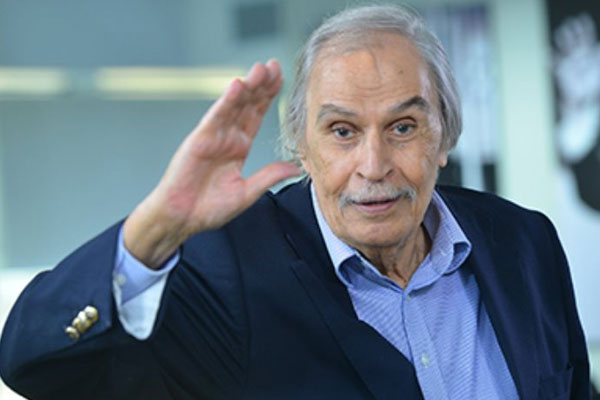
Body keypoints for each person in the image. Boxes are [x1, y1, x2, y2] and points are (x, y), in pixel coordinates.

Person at [0, 4, 591, 400]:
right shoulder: (232, 269)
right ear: (300, 147)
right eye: (342, 131)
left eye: (403, 127)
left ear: (446, 135)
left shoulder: (524, 241)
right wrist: (156, 228)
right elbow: (36, 364)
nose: (374, 165)